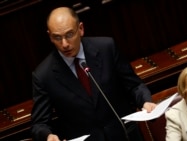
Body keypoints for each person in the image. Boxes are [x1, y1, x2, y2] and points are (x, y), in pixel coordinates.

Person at [31, 6, 156, 141]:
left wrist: (145, 101)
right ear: (49, 36)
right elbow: (39, 124)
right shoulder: (44, 75)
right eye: (57, 37)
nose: (64, 44)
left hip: (125, 136)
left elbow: (134, 86)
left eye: (69, 34)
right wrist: (48, 135)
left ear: (80, 29)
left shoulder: (106, 48)